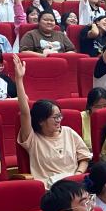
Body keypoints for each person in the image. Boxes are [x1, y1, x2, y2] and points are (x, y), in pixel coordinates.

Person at [14, 55, 92, 186]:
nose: (59, 120)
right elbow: (25, 112)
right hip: (50, 188)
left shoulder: (68, 132)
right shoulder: (32, 138)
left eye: (60, 116)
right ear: (41, 120)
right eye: (55, 117)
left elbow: (84, 157)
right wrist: (19, 79)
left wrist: (78, 174)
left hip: (75, 184)